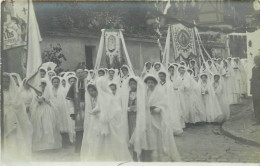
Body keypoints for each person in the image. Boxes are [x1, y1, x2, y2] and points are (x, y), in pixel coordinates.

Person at [144, 74, 181, 162]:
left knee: (159, 136)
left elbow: (164, 105)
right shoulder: (146, 92)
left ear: (155, 83)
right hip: (149, 118)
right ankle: (153, 155)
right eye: (148, 83)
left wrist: (158, 109)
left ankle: (162, 155)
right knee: (151, 136)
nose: (150, 84)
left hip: (158, 118)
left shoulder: (159, 92)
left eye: (152, 82)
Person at [3, 73, 33, 161]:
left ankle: (12, 154)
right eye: (3, 81)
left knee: (12, 135)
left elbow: (19, 104)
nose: (5, 83)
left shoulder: (14, 93)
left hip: (11, 116)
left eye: (7, 81)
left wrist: (12, 106)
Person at [121, 76, 149, 161]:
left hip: (138, 116)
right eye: (131, 84)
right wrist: (127, 108)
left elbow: (142, 105)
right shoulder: (127, 94)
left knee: (137, 132)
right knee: (130, 132)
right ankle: (133, 152)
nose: (132, 86)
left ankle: (139, 151)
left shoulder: (140, 93)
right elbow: (124, 104)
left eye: (134, 84)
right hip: (130, 116)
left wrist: (136, 108)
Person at [31, 78, 62, 151]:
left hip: (47, 110)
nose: (42, 86)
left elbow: (52, 101)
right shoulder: (36, 92)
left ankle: (49, 146)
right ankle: (40, 146)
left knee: (47, 126)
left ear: (46, 85)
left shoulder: (49, 92)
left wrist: (45, 99)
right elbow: (34, 102)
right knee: (39, 126)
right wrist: (38, 100)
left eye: (44, 84)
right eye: (41, 84)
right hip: (38, 110)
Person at [66, 68, 86, 153]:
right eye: (78, 73)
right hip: (78, 111)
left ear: (84, 73)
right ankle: (79, 149)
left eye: (81, 72)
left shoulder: (89, 83)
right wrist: (72, 112)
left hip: (88, 110)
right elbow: (71, 101)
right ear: (76, 74)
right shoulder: (74, 86)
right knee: (79, 130)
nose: (80, 74)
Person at [50, 76, 72, 147]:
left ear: (59, 82)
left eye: (57, 82)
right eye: (54, 82)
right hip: (53, 109)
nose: (56, 83)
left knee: (63, 124)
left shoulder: (62, 90)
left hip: (62, 110)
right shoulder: (51, 90)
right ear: (52, 83)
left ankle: (66, 142)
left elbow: (65, 101)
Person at [250, 55, 260, 125]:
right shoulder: (253, 68)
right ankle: (257, 120)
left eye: (257, 60)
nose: (255, 62)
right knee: (256, 105)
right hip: (255, 90)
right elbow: (253, 78)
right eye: (255, 60)